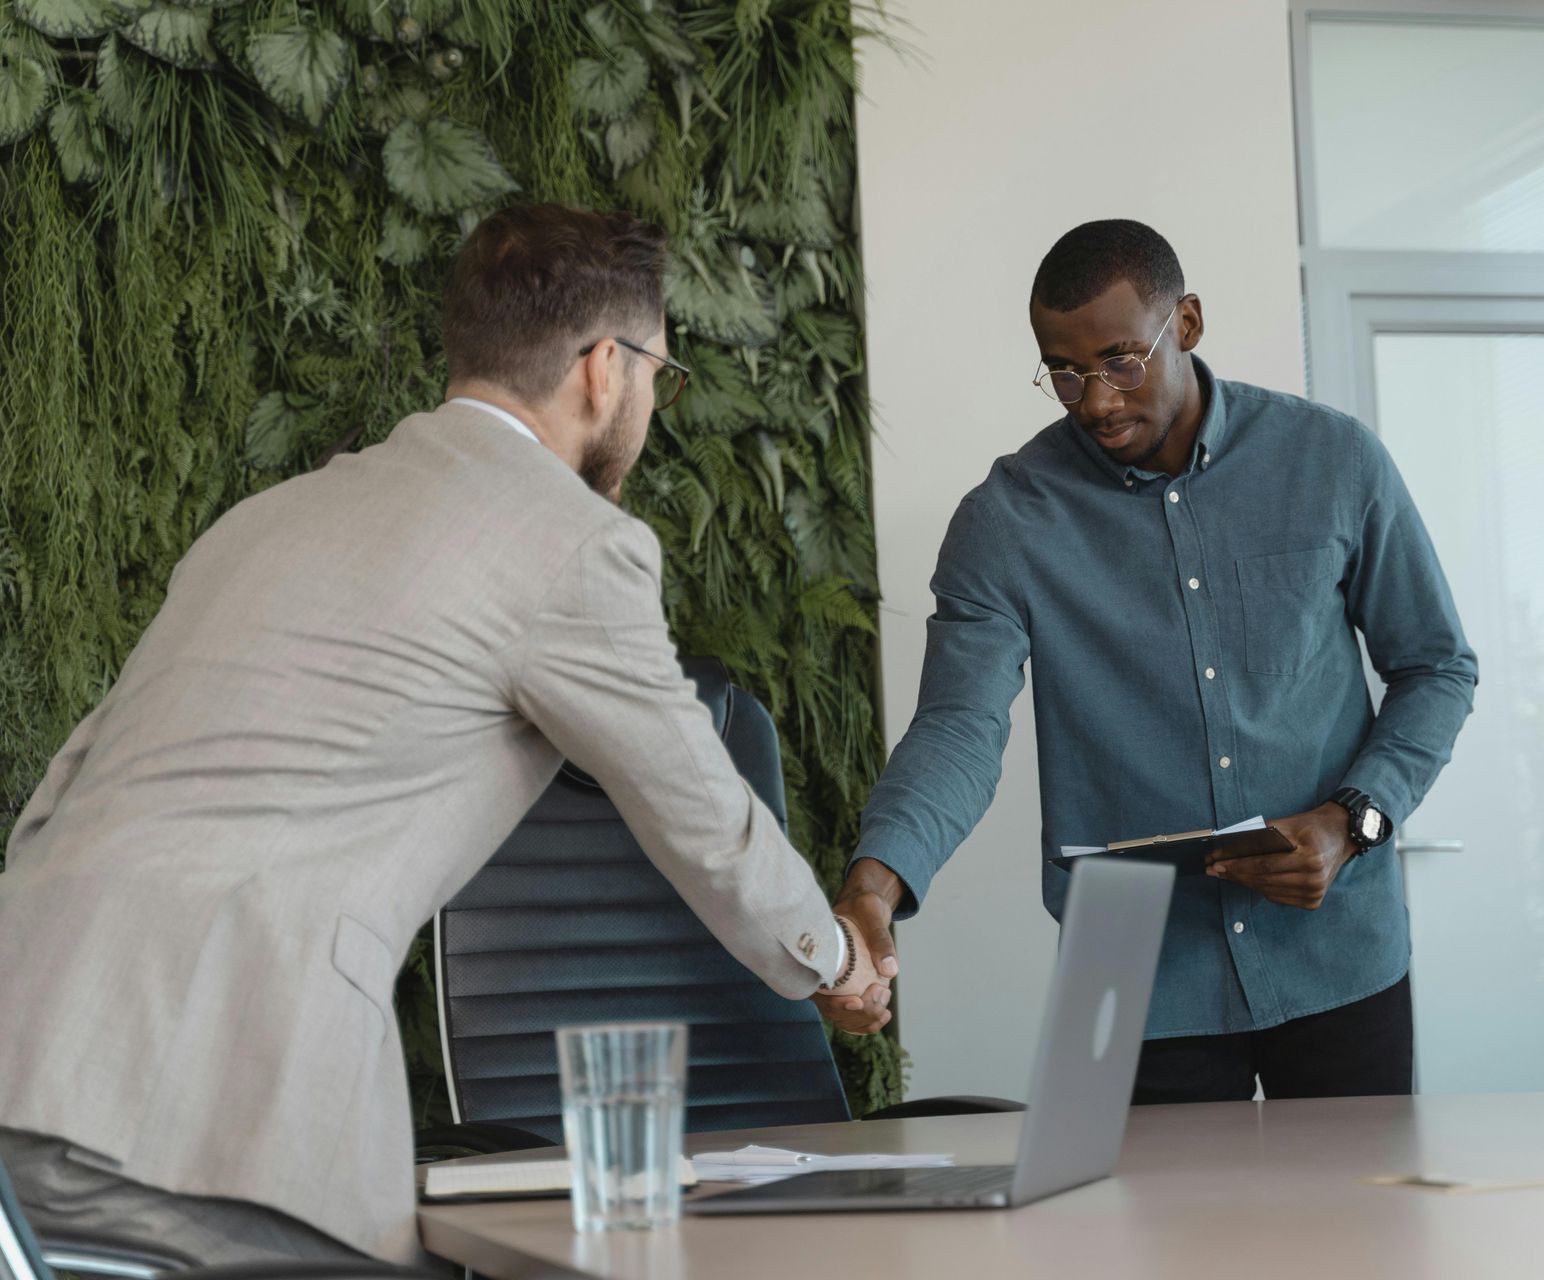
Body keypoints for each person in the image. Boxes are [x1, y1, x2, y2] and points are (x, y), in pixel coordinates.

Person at [0, 204, 890, 1268]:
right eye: (660, 373)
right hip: (207, 1111)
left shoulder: (263, 520)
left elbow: (64, 784)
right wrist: (839, 959)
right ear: (605, 367)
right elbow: (704, 817)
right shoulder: (574, 544)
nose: (651, 403)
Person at [814, 219, 1475, 1102]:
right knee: (1143, 1243)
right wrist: (873, 891)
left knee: (1362, 1232)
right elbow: (958, 729)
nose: (1094, 400)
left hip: (1338, 953)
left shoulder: (1334, 462)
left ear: (1188, 324)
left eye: (1121, 360)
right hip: (1128, 967)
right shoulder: (1007, 521)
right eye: (1064, 370)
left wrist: (1356, 822)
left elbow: (1436, 667)